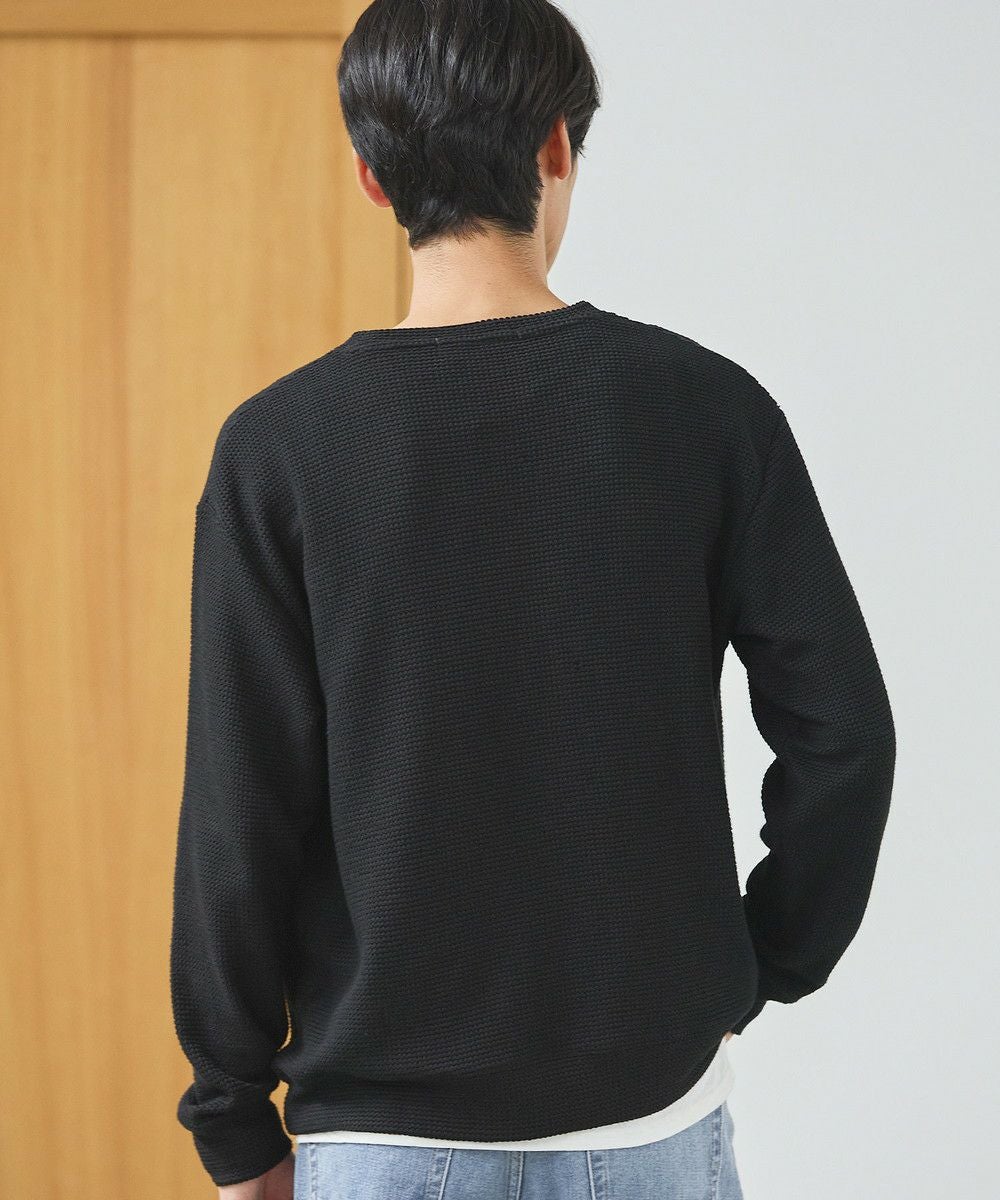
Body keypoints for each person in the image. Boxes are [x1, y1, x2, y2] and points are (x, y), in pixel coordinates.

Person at [168, 1, 897, 1198]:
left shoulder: (279, 449)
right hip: (653, 1116)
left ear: (370, 175)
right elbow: (844, 736)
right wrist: (761, 960)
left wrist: (232, 1119)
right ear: (557, 145)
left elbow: (239, 814)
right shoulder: (705, 410)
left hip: (384, 1136)